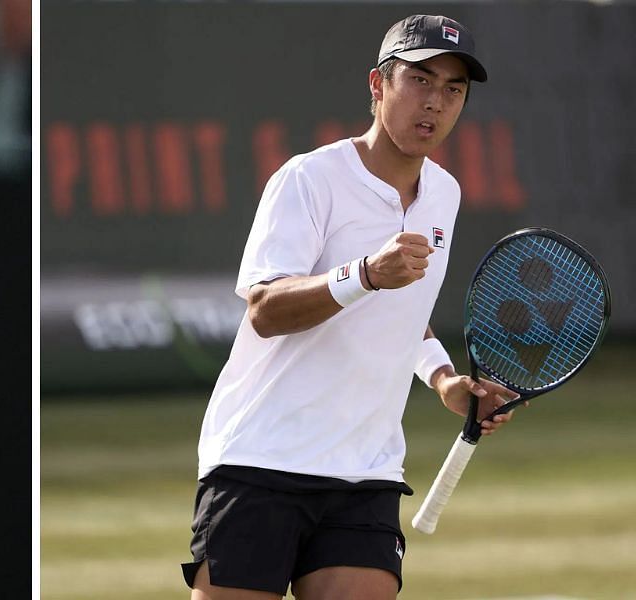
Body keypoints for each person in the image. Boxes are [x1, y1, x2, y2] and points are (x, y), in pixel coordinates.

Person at [183, 15, 518, 600]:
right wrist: (363, 274)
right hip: (261, 459)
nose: (435, 102)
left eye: (453, 89)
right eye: (420, 79)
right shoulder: (308, 179)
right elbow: (265, 307)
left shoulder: (445, 194)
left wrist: (444, 380)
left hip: (367, 472)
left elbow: (406, 313)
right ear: (377, 85)